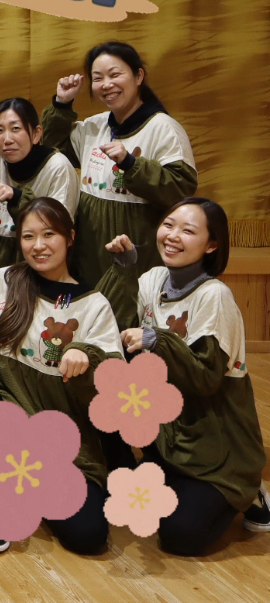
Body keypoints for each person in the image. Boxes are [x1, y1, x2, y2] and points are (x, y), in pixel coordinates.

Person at [0, 197, 122, 555]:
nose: (38, 245)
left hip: (64, 444)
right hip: (6, 434)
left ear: (70, 237)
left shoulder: (93, 306)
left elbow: (112, 389)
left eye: (49, 234)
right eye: (28, 236)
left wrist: (87, 355)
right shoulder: (2, 282)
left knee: (88, 537)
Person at [99, 198, 270, 555]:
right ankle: (162, 472)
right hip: (167, 433)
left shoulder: (215, 296)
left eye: (188, 230)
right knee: (102, 390)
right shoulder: (153, 279)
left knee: (180, 536)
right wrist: (124, 270)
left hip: (215, 447)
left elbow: (205, 379)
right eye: (169, 225)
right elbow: (107, 328)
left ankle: (248, 488)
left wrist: (157, 340)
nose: (173, 235)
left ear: (212, 245)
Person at [42, 41, 196, 285]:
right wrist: (62, 104)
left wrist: (131, 164)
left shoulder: (164, 128)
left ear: (138, 76)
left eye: (115, 75)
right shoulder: (94, 126)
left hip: (138, 259)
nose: (106, 84)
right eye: (98, 78)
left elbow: (181, 187)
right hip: (89, 256)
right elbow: (52, 150)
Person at [0, 98, 79, 269]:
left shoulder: (58, 167)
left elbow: (58, 231)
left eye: (15, 129)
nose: (7, 139)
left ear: (36, 134)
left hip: (44, 262)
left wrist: (18, 197)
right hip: (0, 262)